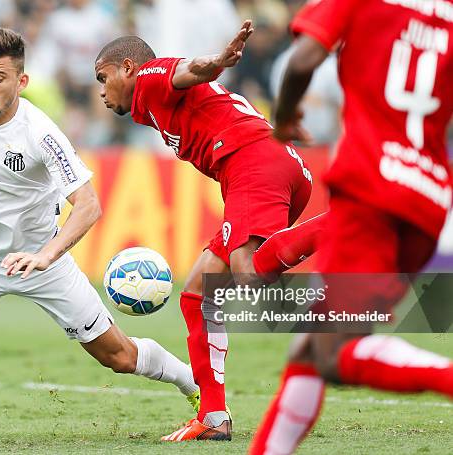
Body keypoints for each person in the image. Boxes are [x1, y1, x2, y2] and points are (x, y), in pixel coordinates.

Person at [0, 26, 200, 438]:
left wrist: (46, 255)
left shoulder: (41, 133)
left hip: (44, 262)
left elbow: (88, 206)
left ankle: (196, 386)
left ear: (21, 81)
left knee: (118, 356)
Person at [94, 21, 326, 441]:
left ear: (127, 67)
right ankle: (214, 416)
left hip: (251, 161)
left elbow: (188, 69)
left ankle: (351, 222)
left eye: (103, 78)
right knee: (199, 290)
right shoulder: (157, 105)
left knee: (248, 271)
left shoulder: (148, 79)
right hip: (270, 163)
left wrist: (217, 61)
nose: (101, 91)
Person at [249, 1, 453, 453]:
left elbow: (302, 58)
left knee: (335, 353)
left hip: (370, 189)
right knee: (310, 348)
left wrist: (283, 118)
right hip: (428, 197)